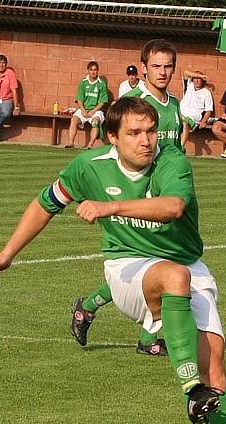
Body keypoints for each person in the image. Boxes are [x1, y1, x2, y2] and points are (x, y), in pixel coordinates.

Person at [0, 96, 226, 424]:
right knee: (174, 279)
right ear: (112, 137)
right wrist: (6, 254)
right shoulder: (89, 167)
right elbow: (45, 204)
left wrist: (109, 206)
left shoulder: (171, 160)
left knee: (216, 366)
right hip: (127, 268)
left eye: (150, 130)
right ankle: (190, 388)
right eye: (134, 133)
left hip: (187, 264)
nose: (146, 140)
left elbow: (173, 207)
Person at [72, 39, 184, 354]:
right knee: (156, 265)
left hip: (165, 196)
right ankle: (148, 338)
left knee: (156, 267)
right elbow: (116, 150)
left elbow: (174, 149)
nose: (163, 72)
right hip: (136, 198)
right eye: (157, 66)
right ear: (144, 67)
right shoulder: (133, 100)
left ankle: (90, 307)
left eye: (168, 66)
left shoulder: (174, 104)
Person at [66, 61, 108, 149]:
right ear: (88, 71)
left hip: (96, 111)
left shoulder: (102, 84)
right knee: (74, 119)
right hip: (83, 110)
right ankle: (71, 142)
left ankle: (90, 144)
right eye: (91, 70)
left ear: (98, 71)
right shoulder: (83, 83)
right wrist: (83, 110)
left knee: (96, 122)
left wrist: (93, 111)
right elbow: (79, 99)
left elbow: (102, 102)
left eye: (95, 70)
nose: (93, 72)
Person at [180, 69, 214, 150]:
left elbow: (209, 110)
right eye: (195, 78)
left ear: (202, 81)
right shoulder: (189, 86)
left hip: (194, 117)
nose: (197, 80)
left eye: (199, 79)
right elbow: (185, 72)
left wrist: (203, 121)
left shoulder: (206, 93)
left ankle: (181, 147)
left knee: (185, 123)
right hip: (180, 113)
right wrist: (201, 75)